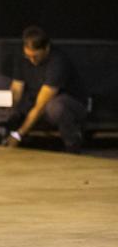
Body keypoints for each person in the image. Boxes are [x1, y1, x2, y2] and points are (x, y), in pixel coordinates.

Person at [5, 26, 87, 154]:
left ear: (46, 48)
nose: (32, 60)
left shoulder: (58, 62)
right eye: (28, 56)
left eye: (35, 56)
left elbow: (40, 106)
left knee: (55, 107)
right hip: (34, 99)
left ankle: (72, 144)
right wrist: (9, 111)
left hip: (70, 105)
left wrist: (18, 134)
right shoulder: (22, 57)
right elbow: (16, 89)